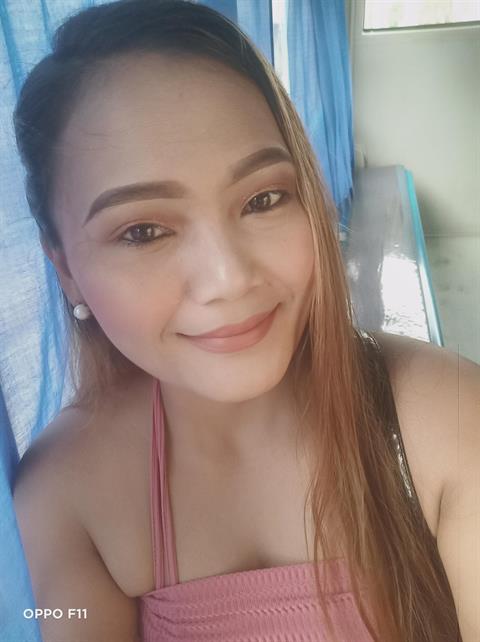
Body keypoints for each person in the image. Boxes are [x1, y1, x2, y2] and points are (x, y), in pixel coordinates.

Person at [11, 1, 478, 641]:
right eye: (143, 231)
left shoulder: (445, 417)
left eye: (263, 199)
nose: (229, 279)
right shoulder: (63, 501)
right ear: (64, 267)